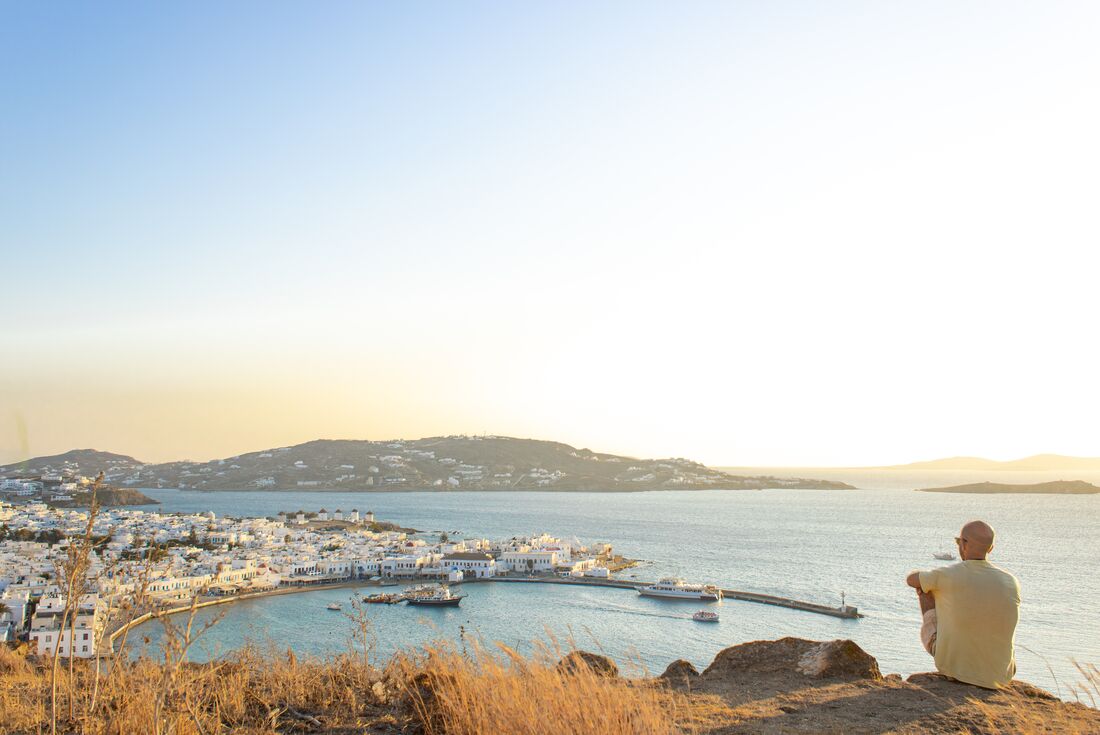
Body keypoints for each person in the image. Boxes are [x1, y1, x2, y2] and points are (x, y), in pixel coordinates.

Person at [905, 520, 1021, 689]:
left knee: (925, 589)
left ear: (963, 544)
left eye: (958, 541)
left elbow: (911, 580)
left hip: (956, 671)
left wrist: (932, 584)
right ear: (990, 549)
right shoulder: (1011, 581)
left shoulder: (948, 574)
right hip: (1000, 675)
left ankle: (951, 652)